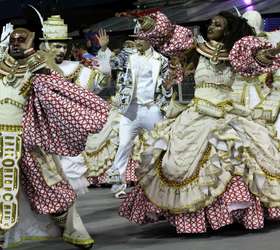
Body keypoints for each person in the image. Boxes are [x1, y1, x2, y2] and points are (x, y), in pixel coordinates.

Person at [119, 11, 280, 234]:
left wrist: (271, 52)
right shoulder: (198, 50)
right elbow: (168, 37)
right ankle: (194, 213)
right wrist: (150, 23)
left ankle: (233, 212)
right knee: (175, 162)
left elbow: (257, 60)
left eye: (218, 25)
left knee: (235, 157)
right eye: (211, 23)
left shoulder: (238, 55)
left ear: (229, 30)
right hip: (196, 114)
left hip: (225, 114)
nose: (211, 27)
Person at [0, 23, 109, 249]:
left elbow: (56, 82)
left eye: (23, 40)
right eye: (14, 40)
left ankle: (71, 229)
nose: (17, 44)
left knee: (52, 188)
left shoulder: (37, 67)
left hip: (27, 139)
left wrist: (32, 55)